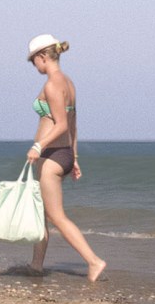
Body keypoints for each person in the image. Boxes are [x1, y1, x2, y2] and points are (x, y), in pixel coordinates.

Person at [24, 34, 106, 282]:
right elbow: (73, 124)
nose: (33, 66)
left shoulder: (52, 85)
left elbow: (60, 125)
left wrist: (38, 145)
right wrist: (74, 157)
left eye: (33, 61)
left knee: (56, 216)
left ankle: (94, 261)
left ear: (42, 57)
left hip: (52, 154)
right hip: (63, 152)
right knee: (41, 213)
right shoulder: (68, 83)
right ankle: (36, 266)